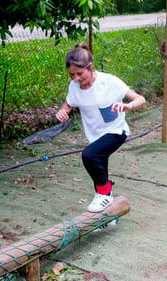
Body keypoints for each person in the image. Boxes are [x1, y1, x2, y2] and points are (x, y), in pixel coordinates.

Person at [56, 43, 145, 212]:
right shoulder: (74, 87)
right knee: (99, 169)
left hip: (116, 131)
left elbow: (140, 98)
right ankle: (107, 216)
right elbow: (68, 104)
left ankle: (104, 195)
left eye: (80, 73)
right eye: (72, 75)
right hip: (96, 136)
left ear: (90, 67)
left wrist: (128, 106)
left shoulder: (109, 82)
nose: (76, 78)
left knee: (89, 155)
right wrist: (62, 111)